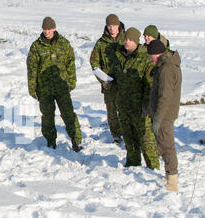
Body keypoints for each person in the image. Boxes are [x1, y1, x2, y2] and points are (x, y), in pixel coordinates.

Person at [27, 17, 83, 152]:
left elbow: (70, 63)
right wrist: (32, 87)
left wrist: (71, 81)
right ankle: (51, 141)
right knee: (47, 116)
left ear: (54, 28)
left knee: (68, 114)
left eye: (49, 29)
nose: (46, 32)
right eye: (44, 29)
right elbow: (32, 68)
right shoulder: (36, 46)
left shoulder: (64, 44)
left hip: (62, 87)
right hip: (44, 89)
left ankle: (76, 140)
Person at [113, 27, 160, 169]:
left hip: (140, 109)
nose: (126, 42)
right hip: (123, 106)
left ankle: (153, 168)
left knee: (147, 141)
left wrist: (146, 106)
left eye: (130, 40)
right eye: (125, 39)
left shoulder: (145, 58)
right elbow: (117, 77)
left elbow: (150, 86)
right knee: (129, 138)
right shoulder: (119, 56)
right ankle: (132, 164)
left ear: (136, 41)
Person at [147, 40, 182, 191]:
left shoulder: (167, 69)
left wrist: (158, 119)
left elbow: (165, 96)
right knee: (163, 144)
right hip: (164, 113)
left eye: (151, 56)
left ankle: (172, 181)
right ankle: (169, 175)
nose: (151, 59)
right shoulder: (164, 66)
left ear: (158, 53)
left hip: (165, 114)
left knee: (167, 146)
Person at [90, 14, 125, 144]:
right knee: (111, 110)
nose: (112, 28)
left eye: (114, 25)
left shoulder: (126, 39)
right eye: (109, 26)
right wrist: (103, 80)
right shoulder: (101, 42)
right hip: (108, 83)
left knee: (125, 109)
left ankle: (128, 134)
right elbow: (94, 62)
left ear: (118, 25)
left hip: (124, 82)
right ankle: (116, 135)